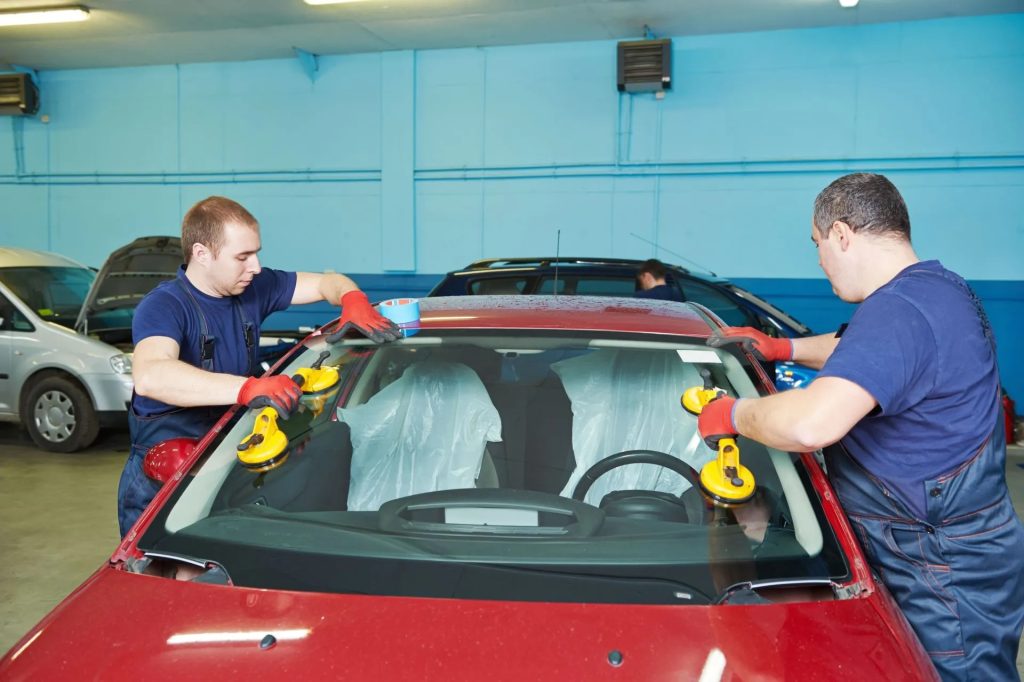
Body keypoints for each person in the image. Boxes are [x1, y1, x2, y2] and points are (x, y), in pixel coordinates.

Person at [697, 173, 1024, 680]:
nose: (820, 261)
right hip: (964, 545)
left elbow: (809, 425)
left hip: (941, 565)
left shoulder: (900, 311)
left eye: (818, 244)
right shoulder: (937, 288)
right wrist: (782, 348)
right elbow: (865, 353)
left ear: (843, 235)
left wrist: (732, 414)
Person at [117, 196, 400, 537]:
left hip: (228, 463)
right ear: (202, 254)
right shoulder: (164, 306)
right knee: (170, 581)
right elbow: (151, 375)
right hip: (164, 477)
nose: (255, 266)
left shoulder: (254, 288)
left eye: (256, 253)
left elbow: (328, 282)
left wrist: (351, 298)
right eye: (242, 257)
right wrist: (247, 388)